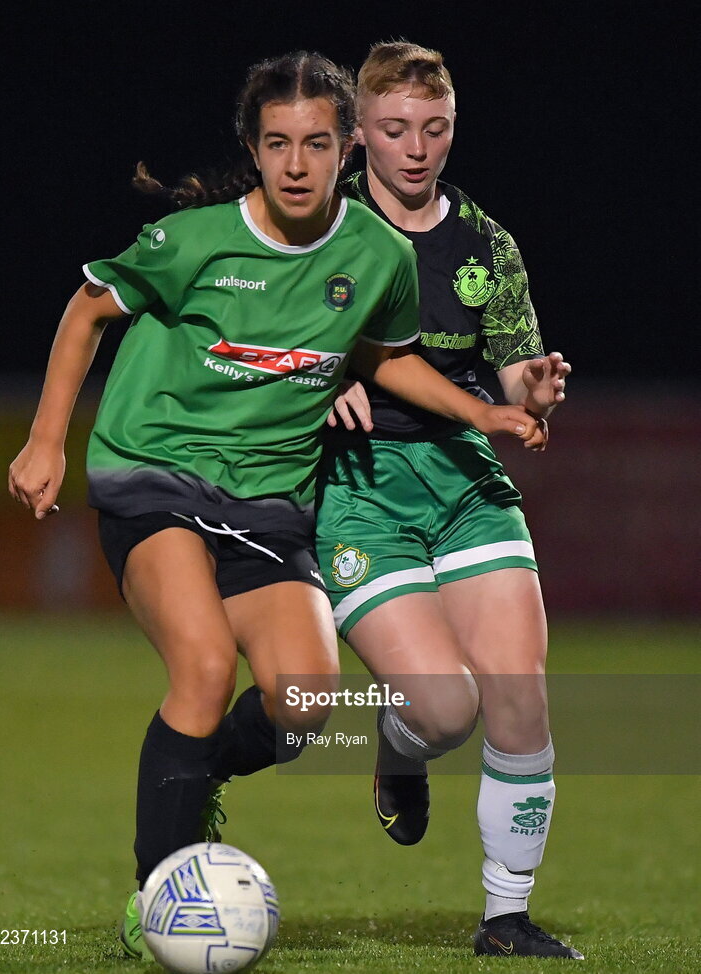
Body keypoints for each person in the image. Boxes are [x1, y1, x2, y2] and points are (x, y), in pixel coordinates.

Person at [8, 50, 544, 960]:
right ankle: (158, 896)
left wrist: (479, 410)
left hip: (269, 502)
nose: (296, 164)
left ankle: (194, 771)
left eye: (316, 144)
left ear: (345, 151)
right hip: (156, 476)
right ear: (253, 151)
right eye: (277, 144)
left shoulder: (377, 253)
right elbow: (88, 310)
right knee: (207, 669)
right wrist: (46, 438)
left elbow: (381, 354)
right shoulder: (197, 242)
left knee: (303, 700)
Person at [316, 41, 582, 959]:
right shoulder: (315, 230)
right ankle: (399, 749)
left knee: (516, 696)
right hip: (357, 487)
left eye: (434, 129)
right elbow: (258, 344)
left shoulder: (486, 242)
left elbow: (511, 366)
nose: (416, 148)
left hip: (464, 479)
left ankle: (504, 916)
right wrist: (320, 380)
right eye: (394, 130)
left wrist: (533, 389)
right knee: (443, 711)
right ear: (357, 135)